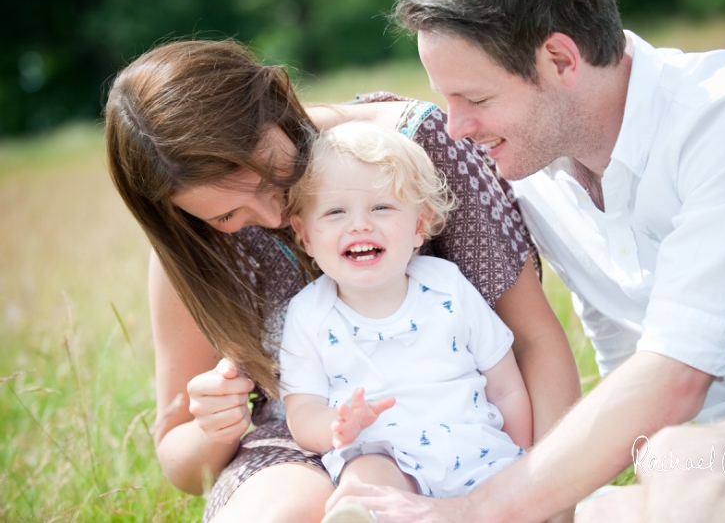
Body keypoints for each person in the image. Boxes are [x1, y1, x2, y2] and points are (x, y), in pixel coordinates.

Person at [325, 0, 725, 521]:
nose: (456, 128)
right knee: (647, 488)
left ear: (559, 59)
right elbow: (627, 366)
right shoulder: (536, 168)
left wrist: (477, 510)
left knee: (690, 465)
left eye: (475, 100)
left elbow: (675, 379)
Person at [104, 39, 579, 522]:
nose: (273, 215)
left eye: (272, 175)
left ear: (276, 101)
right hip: (299, 437)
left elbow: (532, 341)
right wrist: (214, 425)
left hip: (455, 418)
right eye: (228, 213)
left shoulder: (411, 145)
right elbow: (179, 458)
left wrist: (543, 496)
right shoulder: (190, 244)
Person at [280, 122, 531, 511]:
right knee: (365, 482)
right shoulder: (309, 314)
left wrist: (523, 457)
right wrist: (336, 424)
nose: (359, 224)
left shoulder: (447, 286)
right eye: (335, 212)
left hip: (476, 448)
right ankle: (361, 515)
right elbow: (302, 412)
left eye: (381, 207)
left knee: (516, 499)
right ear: (305, 235)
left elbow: (506, 386)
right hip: (382, 452)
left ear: (419, 225)